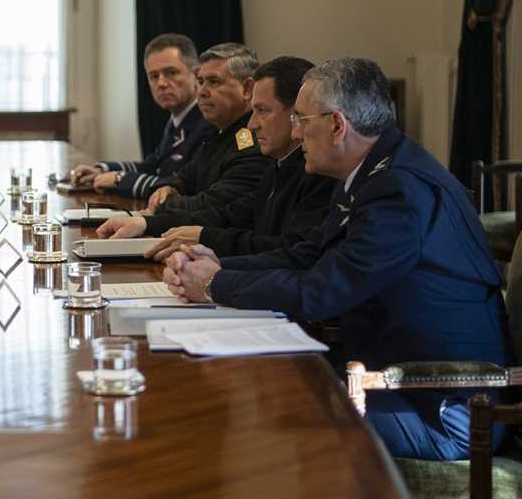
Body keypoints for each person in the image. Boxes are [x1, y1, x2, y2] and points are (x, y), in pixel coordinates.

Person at [161, 58, 511, 461]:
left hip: (442, 407)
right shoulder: (373, 173)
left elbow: (322, 291)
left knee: (271, 412)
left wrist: (212, 285)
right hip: (394, 379)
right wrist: (218, 265)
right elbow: (307, 254)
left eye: (301, 120)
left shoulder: (398, 191)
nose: (295, 132)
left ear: (337, 125)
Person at [95, 56, 334, 259]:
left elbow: (290, 251)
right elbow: (228, 212)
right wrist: (147, 223)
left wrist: (209, 257)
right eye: (200, 82)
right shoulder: (274, 163)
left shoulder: (319, 172)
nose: (252, 125)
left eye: (262, 111)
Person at [71, 33, 212, 198]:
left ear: (195, 74)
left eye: (171, 72)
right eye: (154, 76)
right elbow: (154, 166)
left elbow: (183, 187)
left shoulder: (207, 121)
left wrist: (120, 179)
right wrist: (102, 170)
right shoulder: (178, 119)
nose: (161, 83)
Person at [141, 43, 271, 213]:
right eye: (201, 81)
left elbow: (214, 205)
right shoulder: (218, 134)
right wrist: (166, 188)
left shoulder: (253, 141)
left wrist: (164, 203)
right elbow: (181, 178)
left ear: (247, 89)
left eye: (214, 82)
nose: (201, 92)